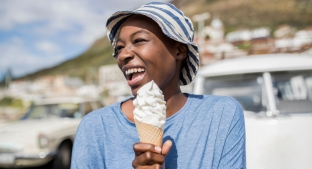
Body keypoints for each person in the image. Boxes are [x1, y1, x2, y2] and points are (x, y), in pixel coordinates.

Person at [71, 2, 245, 169]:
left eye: (138, 40)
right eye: (119, 49)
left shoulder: (221, 115)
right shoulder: (94, 128)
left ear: (179, 50)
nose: (123, 55)